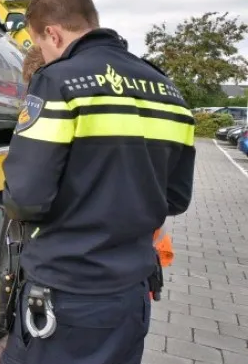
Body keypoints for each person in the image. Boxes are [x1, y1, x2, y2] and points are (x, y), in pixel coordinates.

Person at [0, 0, 195, 364]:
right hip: (131, 296)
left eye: (42, 43)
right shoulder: (169, 93)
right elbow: (175, 198)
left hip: (67, 294)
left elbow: (26, 198)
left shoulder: (58, 82)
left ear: (52, 34)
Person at [19, 45, 177, 273]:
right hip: (139, 262)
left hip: (86, 273)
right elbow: (176, 198)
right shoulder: (132, 112)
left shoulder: (65, 123)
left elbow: (26, 198)